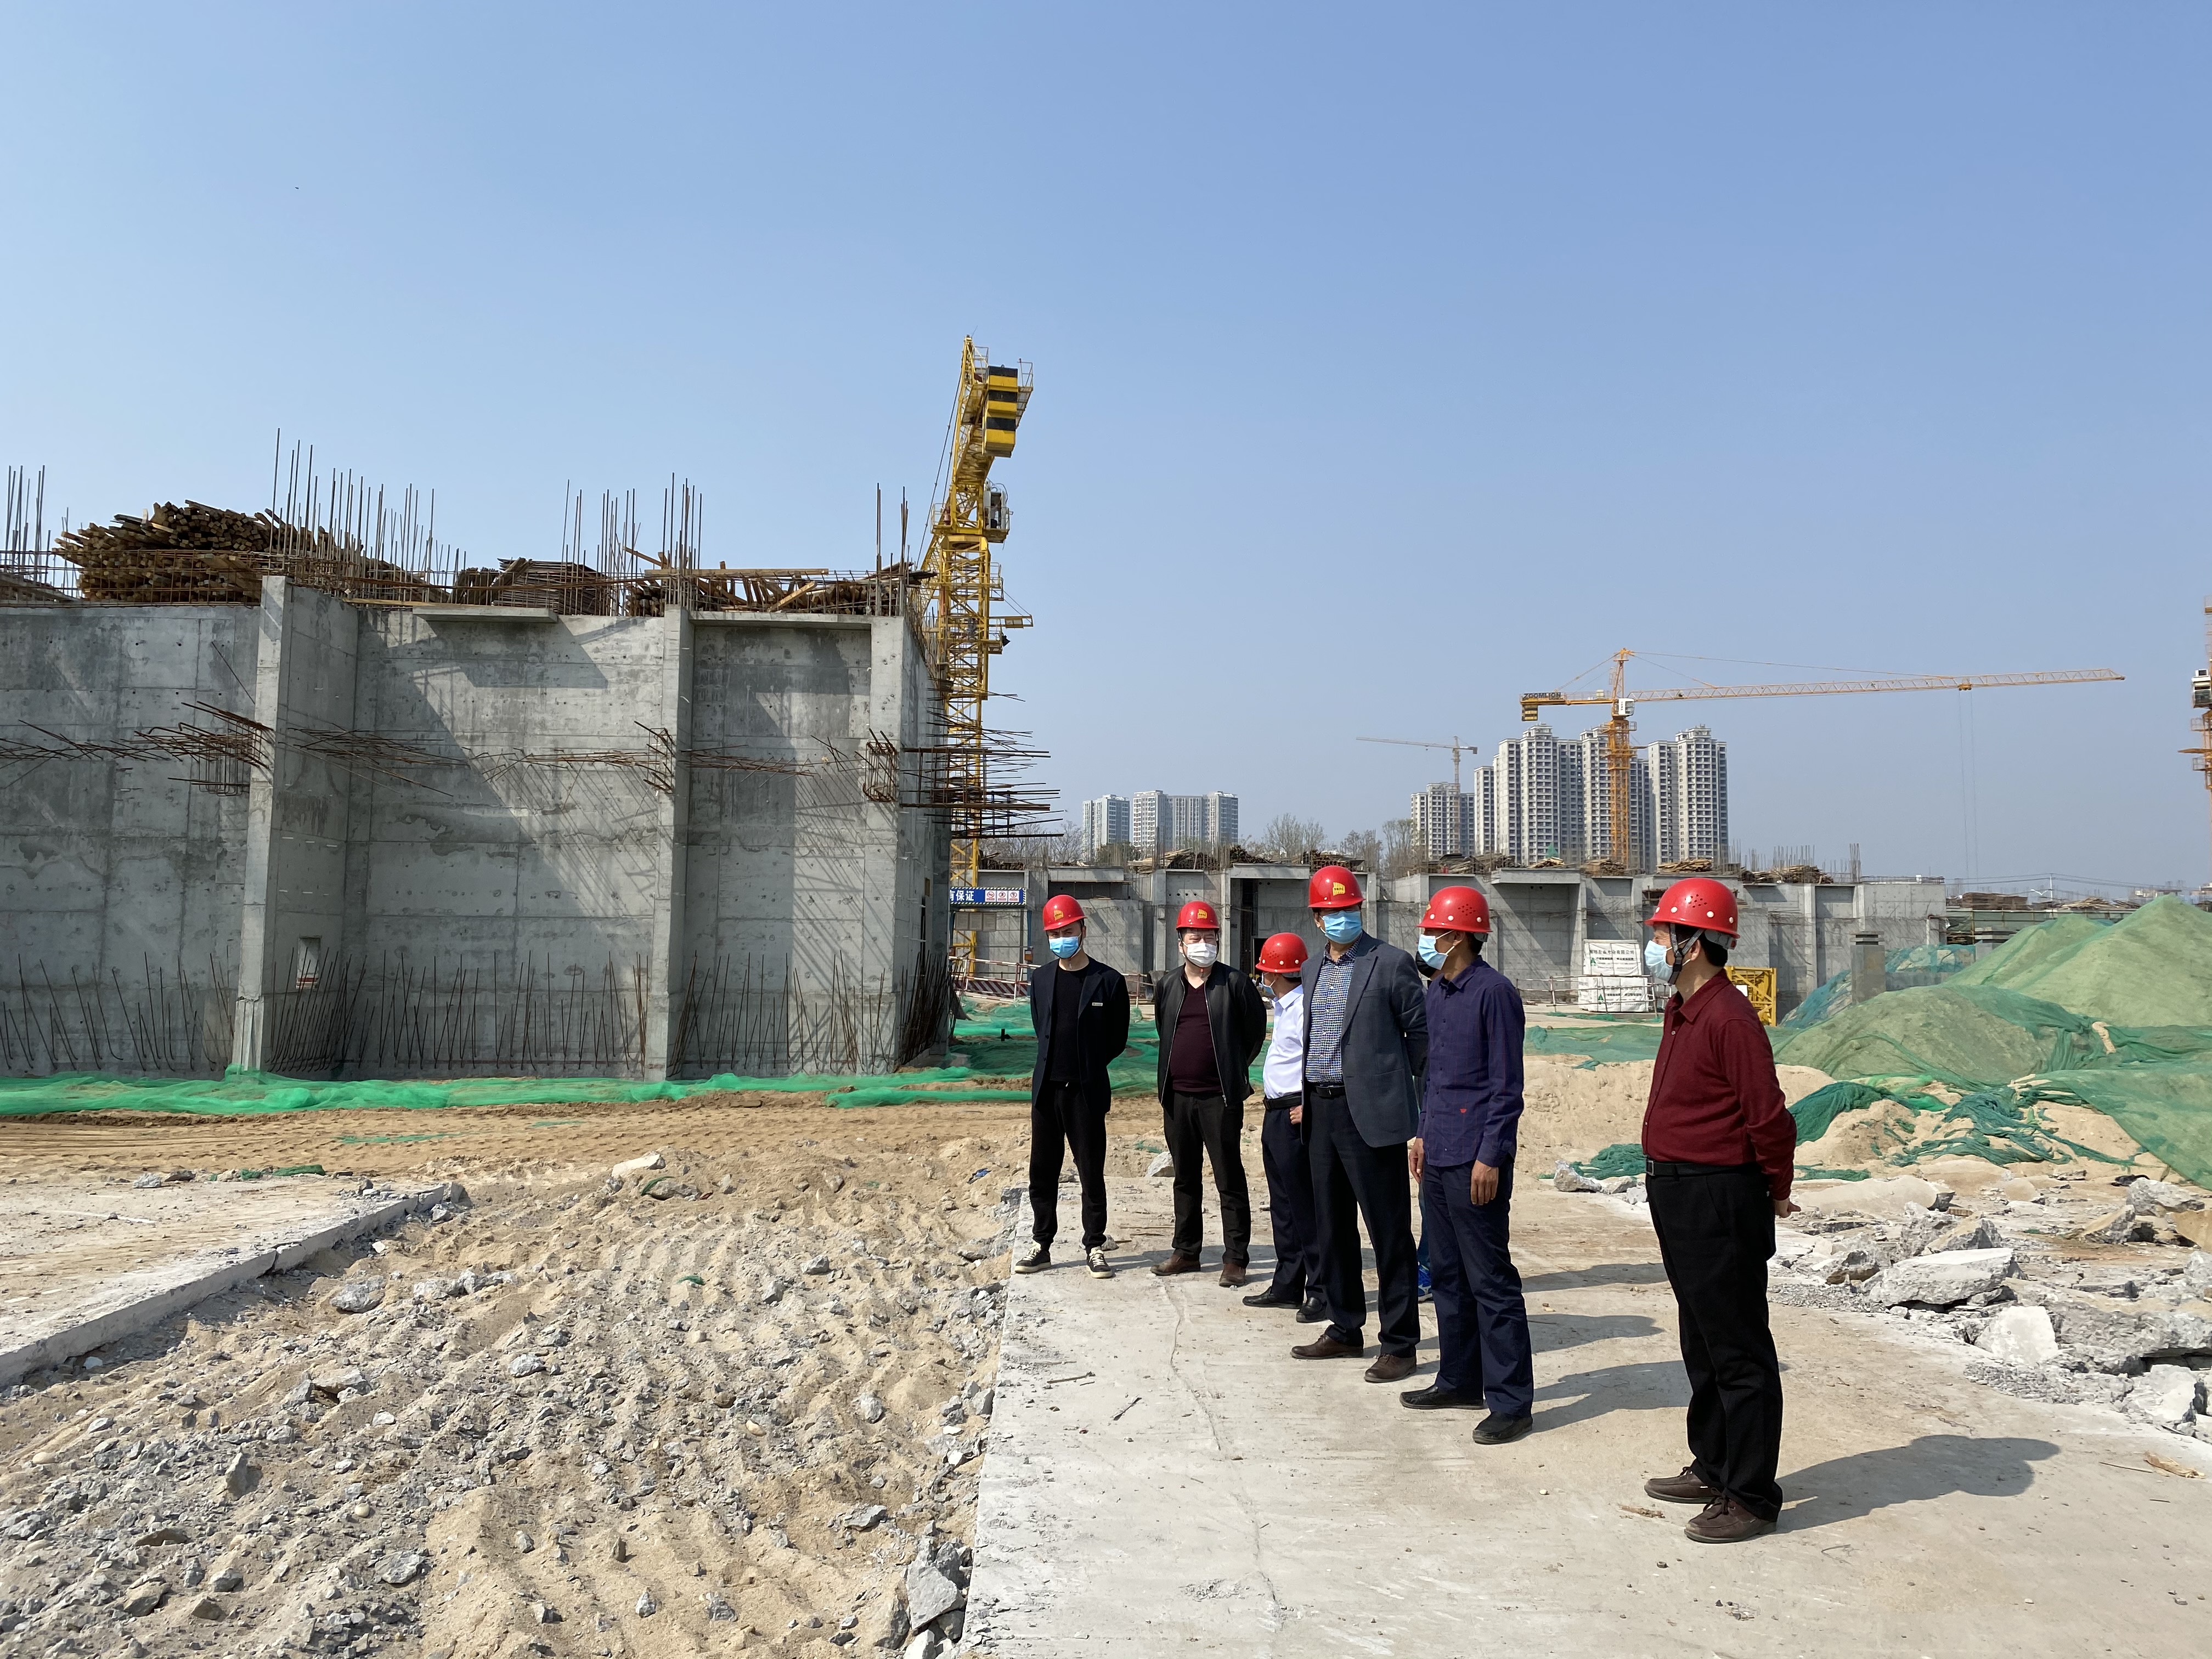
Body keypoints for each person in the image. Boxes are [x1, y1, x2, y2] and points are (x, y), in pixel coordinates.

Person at [1638, 876, 1799, 1544]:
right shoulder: (1683, 1010)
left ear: (1695, 942)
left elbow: (1768, 1116)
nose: (1654, 945)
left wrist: (1777, 1186)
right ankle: (1713, 1465)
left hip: (1718, 1194)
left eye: (1662, 935)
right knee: (1701, 1339)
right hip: (1677, 1191)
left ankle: (1752, 1496)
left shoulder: (1730, 1018)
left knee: (1737, 1350)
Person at [1401, 886, 1536, 1446]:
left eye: (1433, 931)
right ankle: (1458, 1380)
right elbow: (1433, 1077)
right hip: (1438, 1151)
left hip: (1475, 1158)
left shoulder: (1494, 993)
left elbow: (1506, 1085)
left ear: (1457, 936)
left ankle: (1511, 1402)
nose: (1427, 940)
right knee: (1448, 1276)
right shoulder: (1437, 991)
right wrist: (1421, 1134)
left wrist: (1491, 1155)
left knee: (1490, 1280)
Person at [1291, 865, 1427, 1383]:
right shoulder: (1311, 969)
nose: (1341, 917)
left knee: (1388, 1231)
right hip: (1321, 1110)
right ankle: (1345, 1327)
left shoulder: (1390, 964)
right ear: (1316, 918)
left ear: (1360, 909)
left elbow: (1421, 1039)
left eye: (1348, 909)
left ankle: (1400, 1343)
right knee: (1333, 1228)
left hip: (1371, 1114)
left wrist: (1412, 1107)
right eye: (1331, 911)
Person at [1151, 898, 1269, 1286]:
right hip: (1177, 1098)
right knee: (1185, 1177)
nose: (1203, 944)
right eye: (1195, 937)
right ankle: (1186, 1252)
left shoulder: (1234, 984)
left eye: (1210, 936)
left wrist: (1232, 1070)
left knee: (1228, 1177)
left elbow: (1253, 1035)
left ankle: (1235, 1258)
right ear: (1181, 943)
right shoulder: (1168, 985)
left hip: (1220, 1098)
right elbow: (1164, 1029)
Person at [1016, 893, 1131, 1280]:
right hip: (1047, 1091)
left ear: (1083, 929)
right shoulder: (1041, 979)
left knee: (1091, 1171)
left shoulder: (1108, 982)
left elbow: (1117, 1039)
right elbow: (1042, 1028)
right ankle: (1041, 1244)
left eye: (1068, 930)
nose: (1062, 938)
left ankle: (1095, 1244)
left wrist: (1087, 1065)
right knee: (1042, 1170)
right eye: (1055, 933)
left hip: (1085, 1091)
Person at [1242, 932, 1326, 1321]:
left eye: (1265, 971)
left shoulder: (1308, 1006)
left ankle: (1320, 1290)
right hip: (1276, 1112)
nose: (1263, 977)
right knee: (1283, 1205)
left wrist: (1311, 1104)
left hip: (1297, 1111)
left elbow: (1325, 1057)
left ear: (1275, 972)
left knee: (1305, 1206)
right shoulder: (1283, 1005)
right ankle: (1288, 1283)